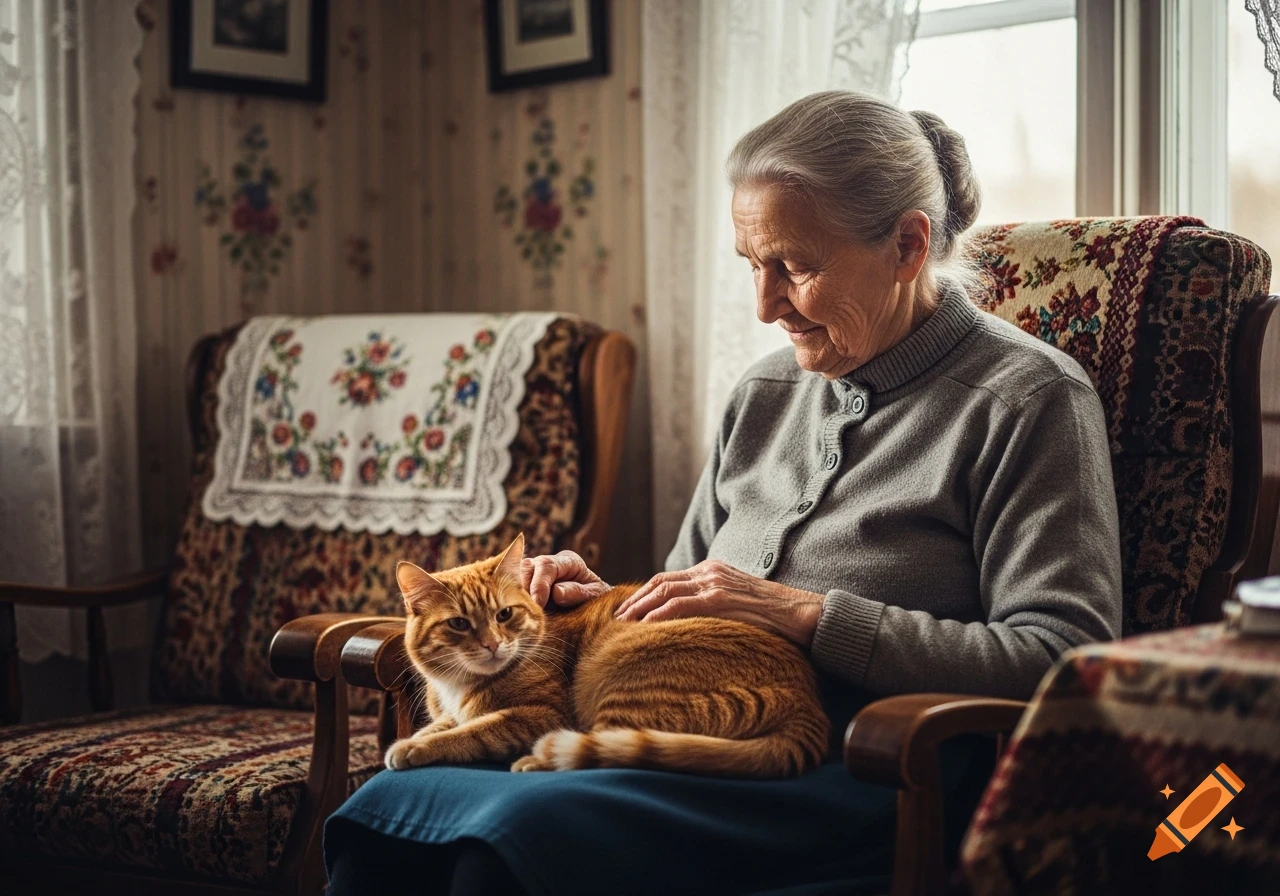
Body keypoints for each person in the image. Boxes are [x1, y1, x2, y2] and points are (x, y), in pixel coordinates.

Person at [324, 89, 1122, 896]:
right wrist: (593, 607)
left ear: (909, 244)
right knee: (385, 817)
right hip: (681, 724)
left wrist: (808, 615)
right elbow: (687, 593)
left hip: (863, 768)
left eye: (796, 268)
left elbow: (1064, 661)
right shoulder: (767, 390)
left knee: (503, 847)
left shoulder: (1028, 400)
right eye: (753, 265)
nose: (766, 304)